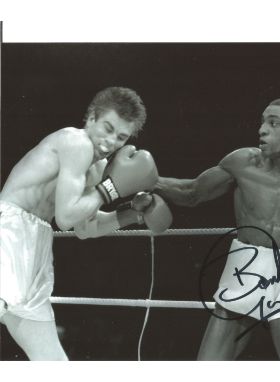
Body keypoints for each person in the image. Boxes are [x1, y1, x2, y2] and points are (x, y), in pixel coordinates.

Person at [154, 98, 280, 360]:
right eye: (262, 121)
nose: (262, 129)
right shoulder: (242, 163)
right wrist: (150, 180)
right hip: (244, 270)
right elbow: (191, 192)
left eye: (273, 123)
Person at [0, 87, 172, 360]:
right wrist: (112, 189)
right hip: (8, 233)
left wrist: (131, 214)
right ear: (91, 117)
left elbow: (85, 228)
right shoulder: (75, 141)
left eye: (121, 137)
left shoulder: (96, 168)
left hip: (37, 244)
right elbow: (67, 218)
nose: (110, 141)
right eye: (107, 127)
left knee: (53, 363)